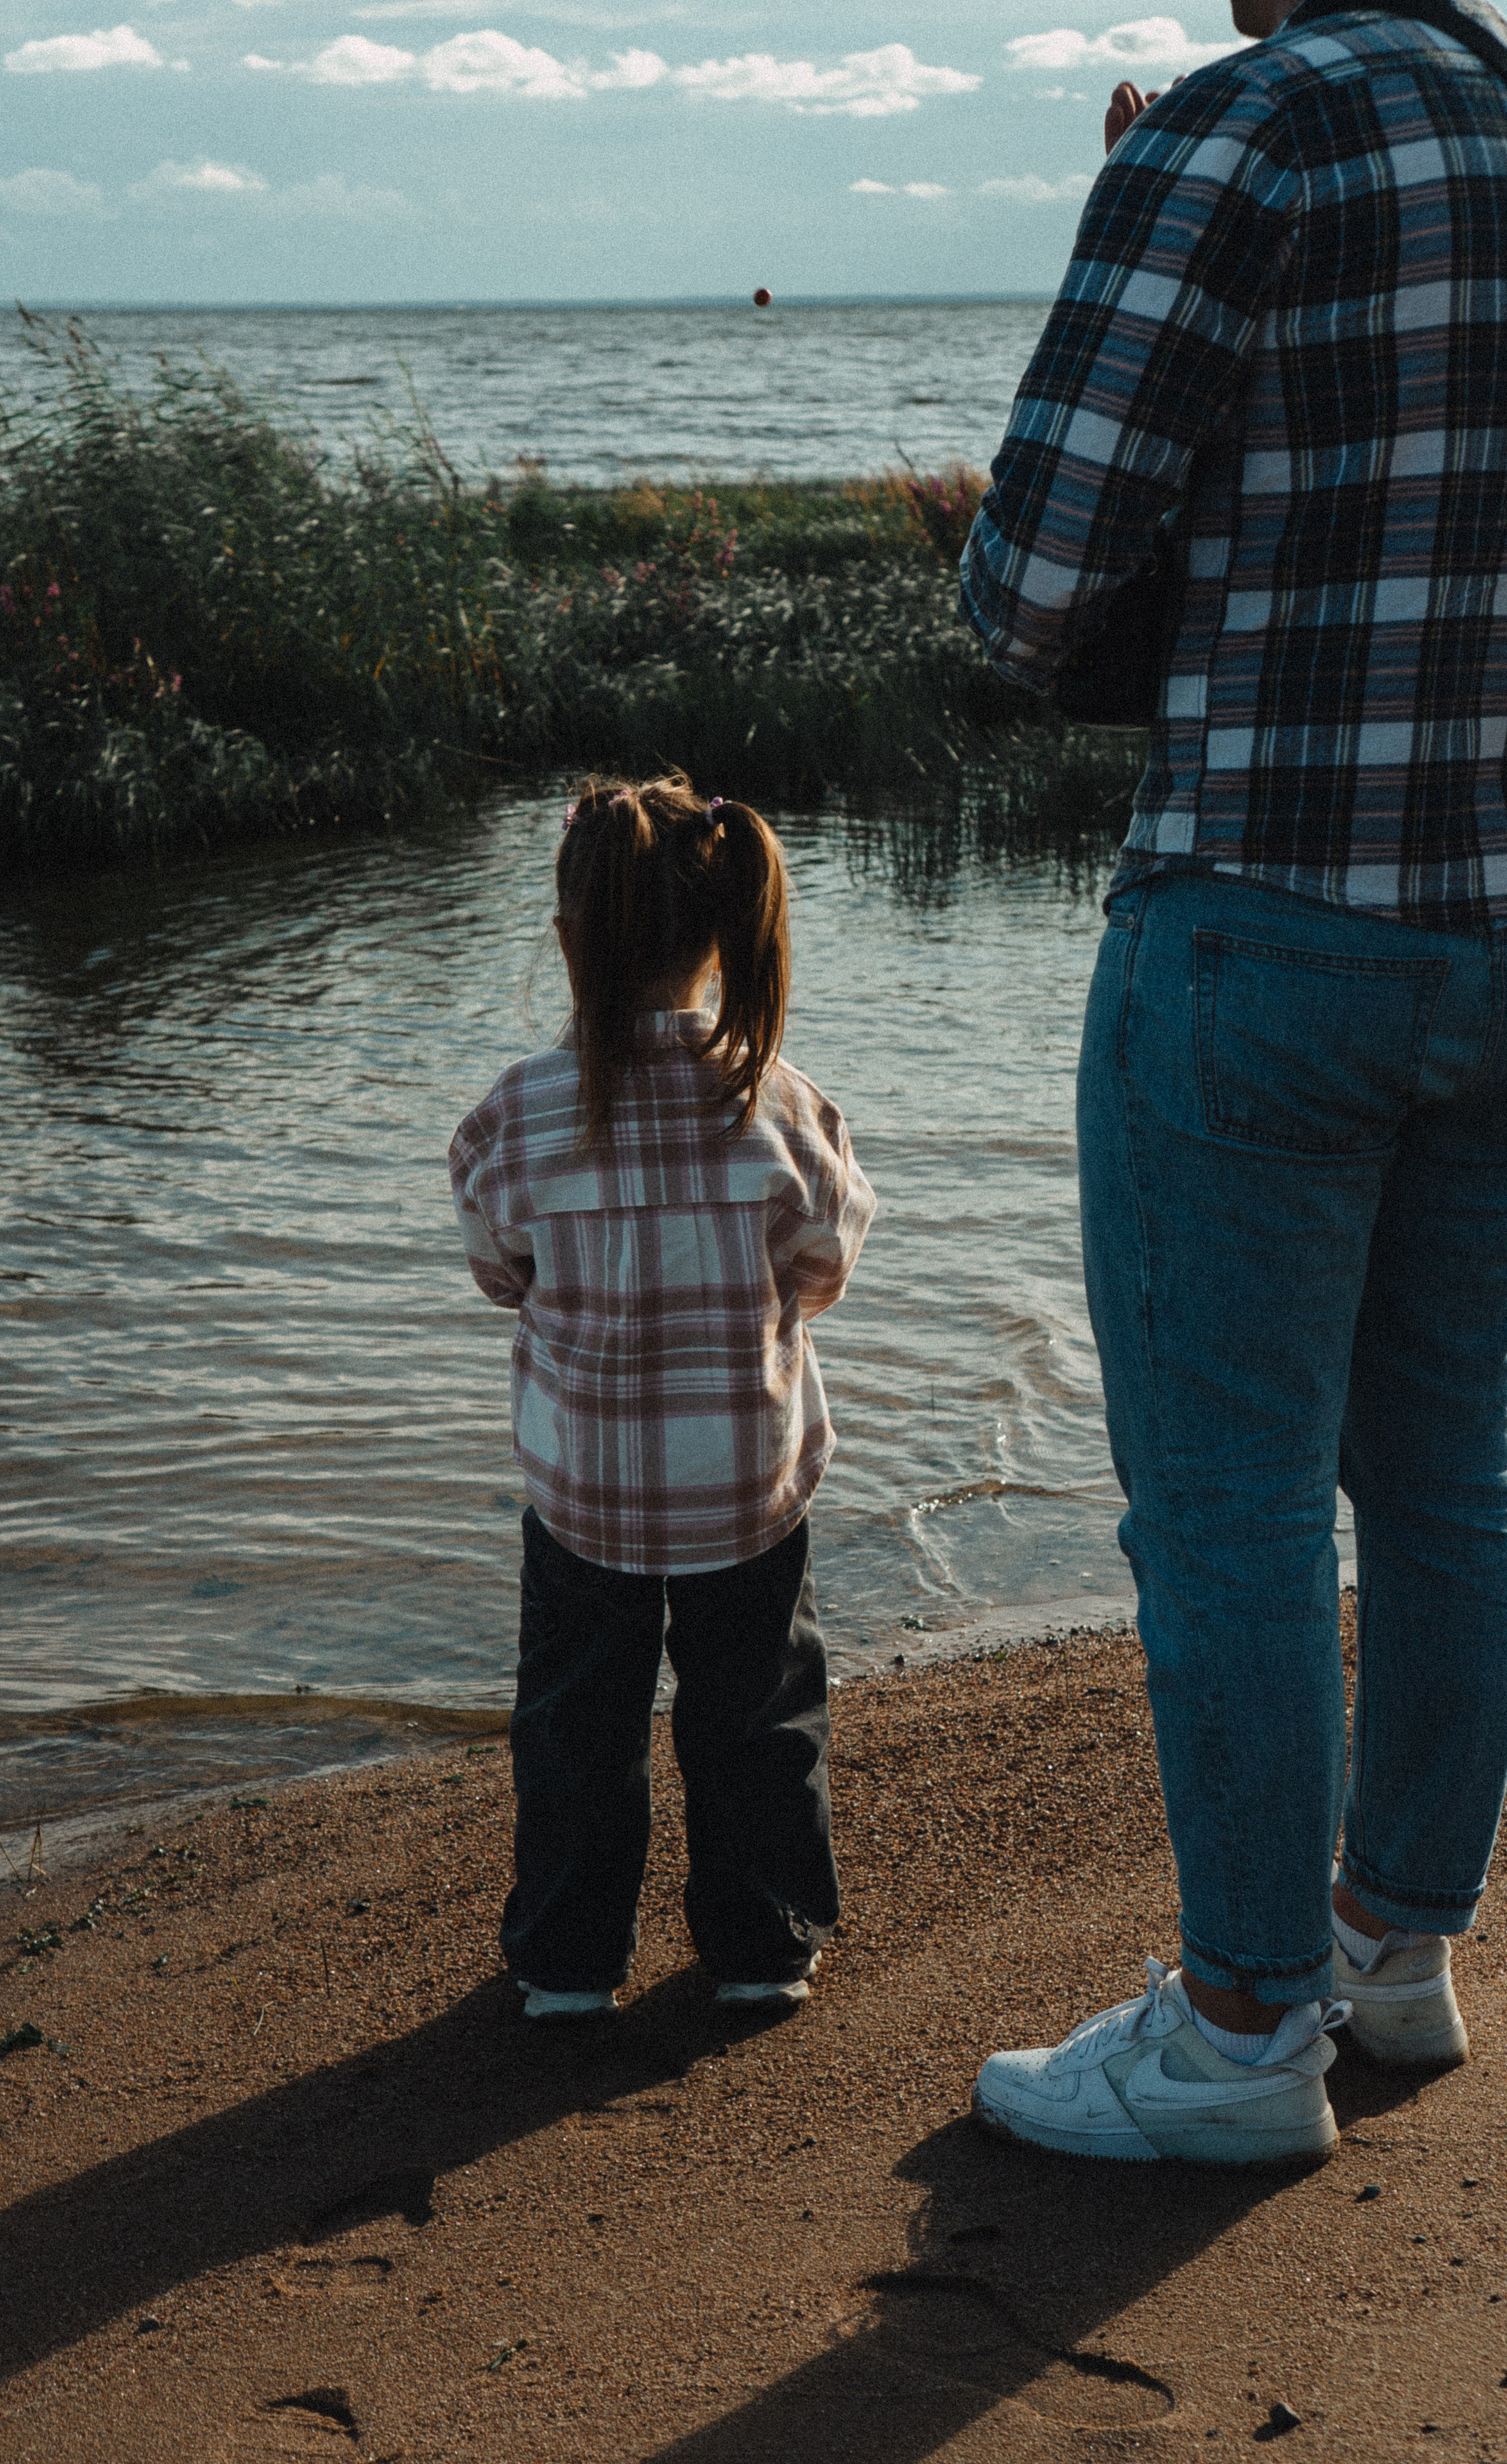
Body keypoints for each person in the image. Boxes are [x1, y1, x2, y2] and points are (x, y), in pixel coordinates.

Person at [958, 0, 1507, 2164]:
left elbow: (1030, 586)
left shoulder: (1245, 125)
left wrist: (1141, 198)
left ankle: (1240, 2033)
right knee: (1453, 1472)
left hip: (1266, 911)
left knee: (1231, 1504)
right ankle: (1394, 1949)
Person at [449, 774, 875, 2021]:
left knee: (577, 1729)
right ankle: (763, 1949)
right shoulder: (781, 1106)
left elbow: (498, 1273)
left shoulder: (516, 1116)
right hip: (746, 1484)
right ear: (717, 935)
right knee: (756, 1718)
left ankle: (567, 1966)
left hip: (587, 1498)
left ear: (570, 939)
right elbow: (821, 1269)